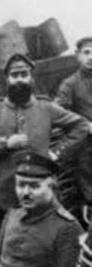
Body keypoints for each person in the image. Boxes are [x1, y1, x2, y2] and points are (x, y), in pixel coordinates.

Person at [0, 52, 86, 264]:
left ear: (31, 78)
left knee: (45, 248)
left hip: (39, 192)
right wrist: (5, 144)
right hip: (1, 196)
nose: (20, 80)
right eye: (14, 75)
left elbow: (80, 126)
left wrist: (56, 153)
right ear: (6, 79)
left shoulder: (46, 107)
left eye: (24, 74)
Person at [55, 36, 92, 212]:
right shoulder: (69, 84)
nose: (91, 57)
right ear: (78, 55)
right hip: (86, 143)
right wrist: (85, 124)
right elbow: (58, 113)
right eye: (86, 52)